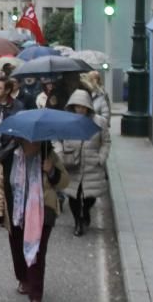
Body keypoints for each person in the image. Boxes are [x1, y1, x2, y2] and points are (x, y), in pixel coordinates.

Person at [0, 139, 69, 302]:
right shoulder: (8, 158)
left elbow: (65, 181)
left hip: (42, 211)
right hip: (15, 212)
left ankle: (35, 294)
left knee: (37, 255)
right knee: (18, 250)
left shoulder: (48, 155)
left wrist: (52, 170)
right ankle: (24, 279)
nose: (33, 143)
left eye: (36, 141)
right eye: (29, 140)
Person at [60, 89, 110, 236]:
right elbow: (56, 139)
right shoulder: (66, 121)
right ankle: (77, 222)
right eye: (76, 106)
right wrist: (60, 153)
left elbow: (106, 141)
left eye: (82, 106)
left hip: (92, 164)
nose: (79, 109)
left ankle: (86, 211)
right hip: (72, 163)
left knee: (90, 196)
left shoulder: (100, 121)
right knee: (73, 195)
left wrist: (101, 157)